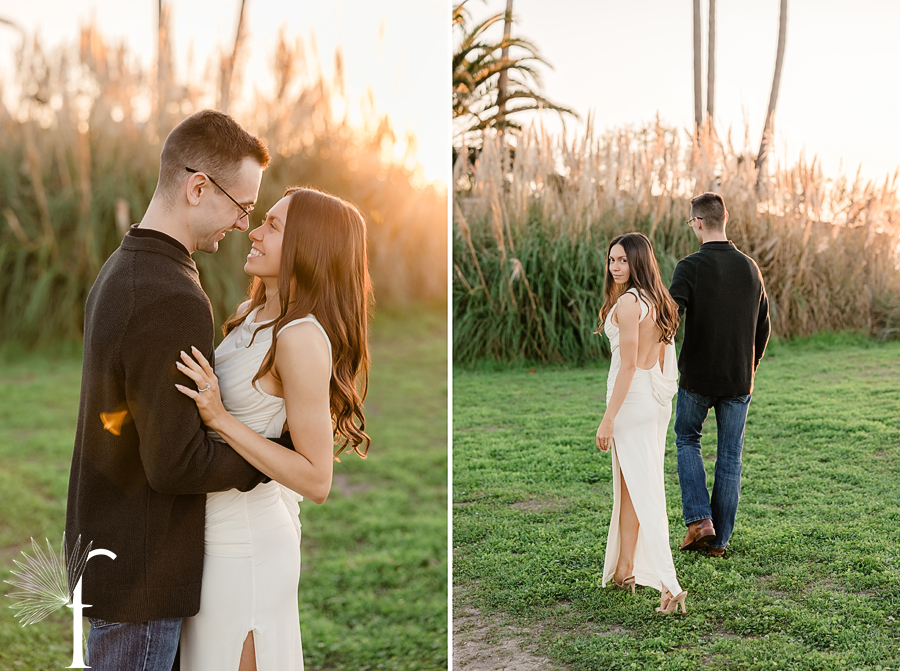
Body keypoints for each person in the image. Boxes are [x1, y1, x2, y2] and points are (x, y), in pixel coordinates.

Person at [65, 109, 284, 670]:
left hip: (115, 555)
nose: (242, 225)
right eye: (241, 207)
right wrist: (270, 457)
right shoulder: (170, 294)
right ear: (197, 188)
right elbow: (175, 464)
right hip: (141, 574)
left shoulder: (123, 265)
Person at [174, 186, 372, 670]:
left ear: (308, 248)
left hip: (247, 544)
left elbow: (316, 479)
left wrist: (220, 418)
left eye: (273, 226)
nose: (253, 231)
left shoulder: (300, 337)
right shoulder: (253, 314)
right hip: (213, 532)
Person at [669, 192, 770, 558]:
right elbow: (763, 328)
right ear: (725, 217)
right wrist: (750, 368)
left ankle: (699, 521)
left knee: (686, 439)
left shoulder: (689, 266)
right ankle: (719, 543)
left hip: (697, 377)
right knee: (730, 456)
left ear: (696, 222)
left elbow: (670, 317)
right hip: (739, 380)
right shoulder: (751, 268)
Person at [595, 232, 687, 615]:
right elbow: (666, 358)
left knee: (646, 493)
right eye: (612, 260)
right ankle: (624, 571)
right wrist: (661, 398)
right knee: (632, 489)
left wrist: (608, 418)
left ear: (638, 262)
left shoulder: (631, 303)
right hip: (652, 399)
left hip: (631, 403)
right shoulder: (660, 300)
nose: (616, 267)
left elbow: (629, 365)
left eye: (623, 261)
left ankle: (669, 584)